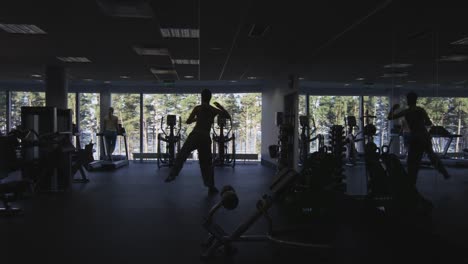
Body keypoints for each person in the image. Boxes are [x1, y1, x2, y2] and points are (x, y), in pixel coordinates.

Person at [164, 89, 231, 195]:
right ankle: (211, 186)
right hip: (205, 137)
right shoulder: (213, 110)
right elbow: (228, 116)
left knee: (182, 154)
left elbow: (188, 121)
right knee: (207, 164)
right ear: (209, 98)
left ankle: (173, 174)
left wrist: (197, 118)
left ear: (201, 97)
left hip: (195, 135)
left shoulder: (198, 108)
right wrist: (220, 107)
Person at [387, 92, 450, 186]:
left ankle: (412, 182)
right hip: (424, 136)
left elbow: (390, 117)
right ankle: (443, 172)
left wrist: (393, 109)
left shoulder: (407, 111)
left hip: (416, 138)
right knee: (431, 155)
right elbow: (428, 123)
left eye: (407, 99)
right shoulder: (421, 110)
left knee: (412, 162)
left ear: (409, 100)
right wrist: (420, 124)